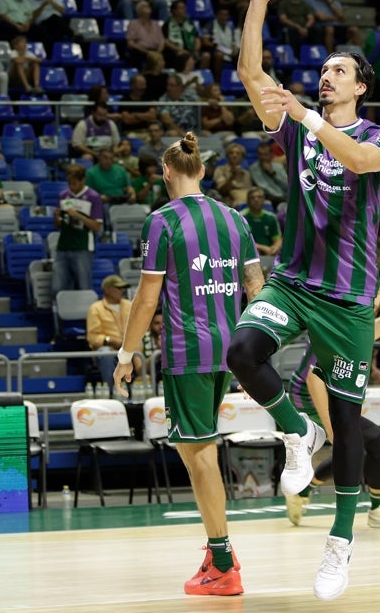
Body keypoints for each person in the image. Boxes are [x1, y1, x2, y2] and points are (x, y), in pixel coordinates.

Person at [224, 0, 380, 601]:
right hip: (294, 281)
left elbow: (357, 163)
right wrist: (259, 3)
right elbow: (250, 74)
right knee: (242, 351)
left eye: (339, 71)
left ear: (360, 87)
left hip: (349, 297)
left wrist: (305, 117)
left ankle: (340, 542)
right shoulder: (297, 125)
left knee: (351, 423)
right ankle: (298, 430)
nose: (326, 77)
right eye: (323, 69)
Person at [112, 132, 264, 597]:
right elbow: (257, 288)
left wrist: (126, 352)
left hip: (189, 351)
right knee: (195, 448)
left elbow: (146, 298)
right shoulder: (235, 218)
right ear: (202, 171)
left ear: (166, 173)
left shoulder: (161, 222)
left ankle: (222, 562)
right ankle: (218, 550)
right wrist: (256, 350)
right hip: (234, 347)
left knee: (199, 454)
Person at [285, 300, 380, 527]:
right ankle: (378, 510)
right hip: (311, 397)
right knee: (377, 441)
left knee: (359, 446)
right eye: (376, 291)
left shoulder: (351, 313)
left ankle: (303, 491)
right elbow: (313, 377)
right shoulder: (338, 315)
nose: (377, 297)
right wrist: (330, 429)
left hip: (322, 392)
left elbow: (370, 332)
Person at [53, 164, 103, 294]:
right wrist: (56, 216)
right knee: (58, 288)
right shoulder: (63, 195)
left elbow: (96, 227)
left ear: (82, 180)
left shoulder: (93, 197)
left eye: (74, 183)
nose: (71, 186)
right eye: (69, 183)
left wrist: (78, 216)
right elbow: (58, 225)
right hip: (63, 246)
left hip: (83, 248)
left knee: (83, 287)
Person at [86, 274, 134, 396]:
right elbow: (92, 337)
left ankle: (144, 389)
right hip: (108, 348)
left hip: (129, 345)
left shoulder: (128, 305)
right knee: (106, 354)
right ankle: (113, 392)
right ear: (107, 289)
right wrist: (110, 341)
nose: (121, 291)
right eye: (118, 288)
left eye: (122, 288)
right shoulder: (96, 308)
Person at [242, 187, 282, 257]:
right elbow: (242, 241)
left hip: (269, 254)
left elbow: (277, 239)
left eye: (259, 197)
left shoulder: (271, 217)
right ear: (247, 201)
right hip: (249, 254)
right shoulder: (241, 217)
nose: (256, 200)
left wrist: (275, 247)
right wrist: (262, 248)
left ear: (264, 200)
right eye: (252, 198)